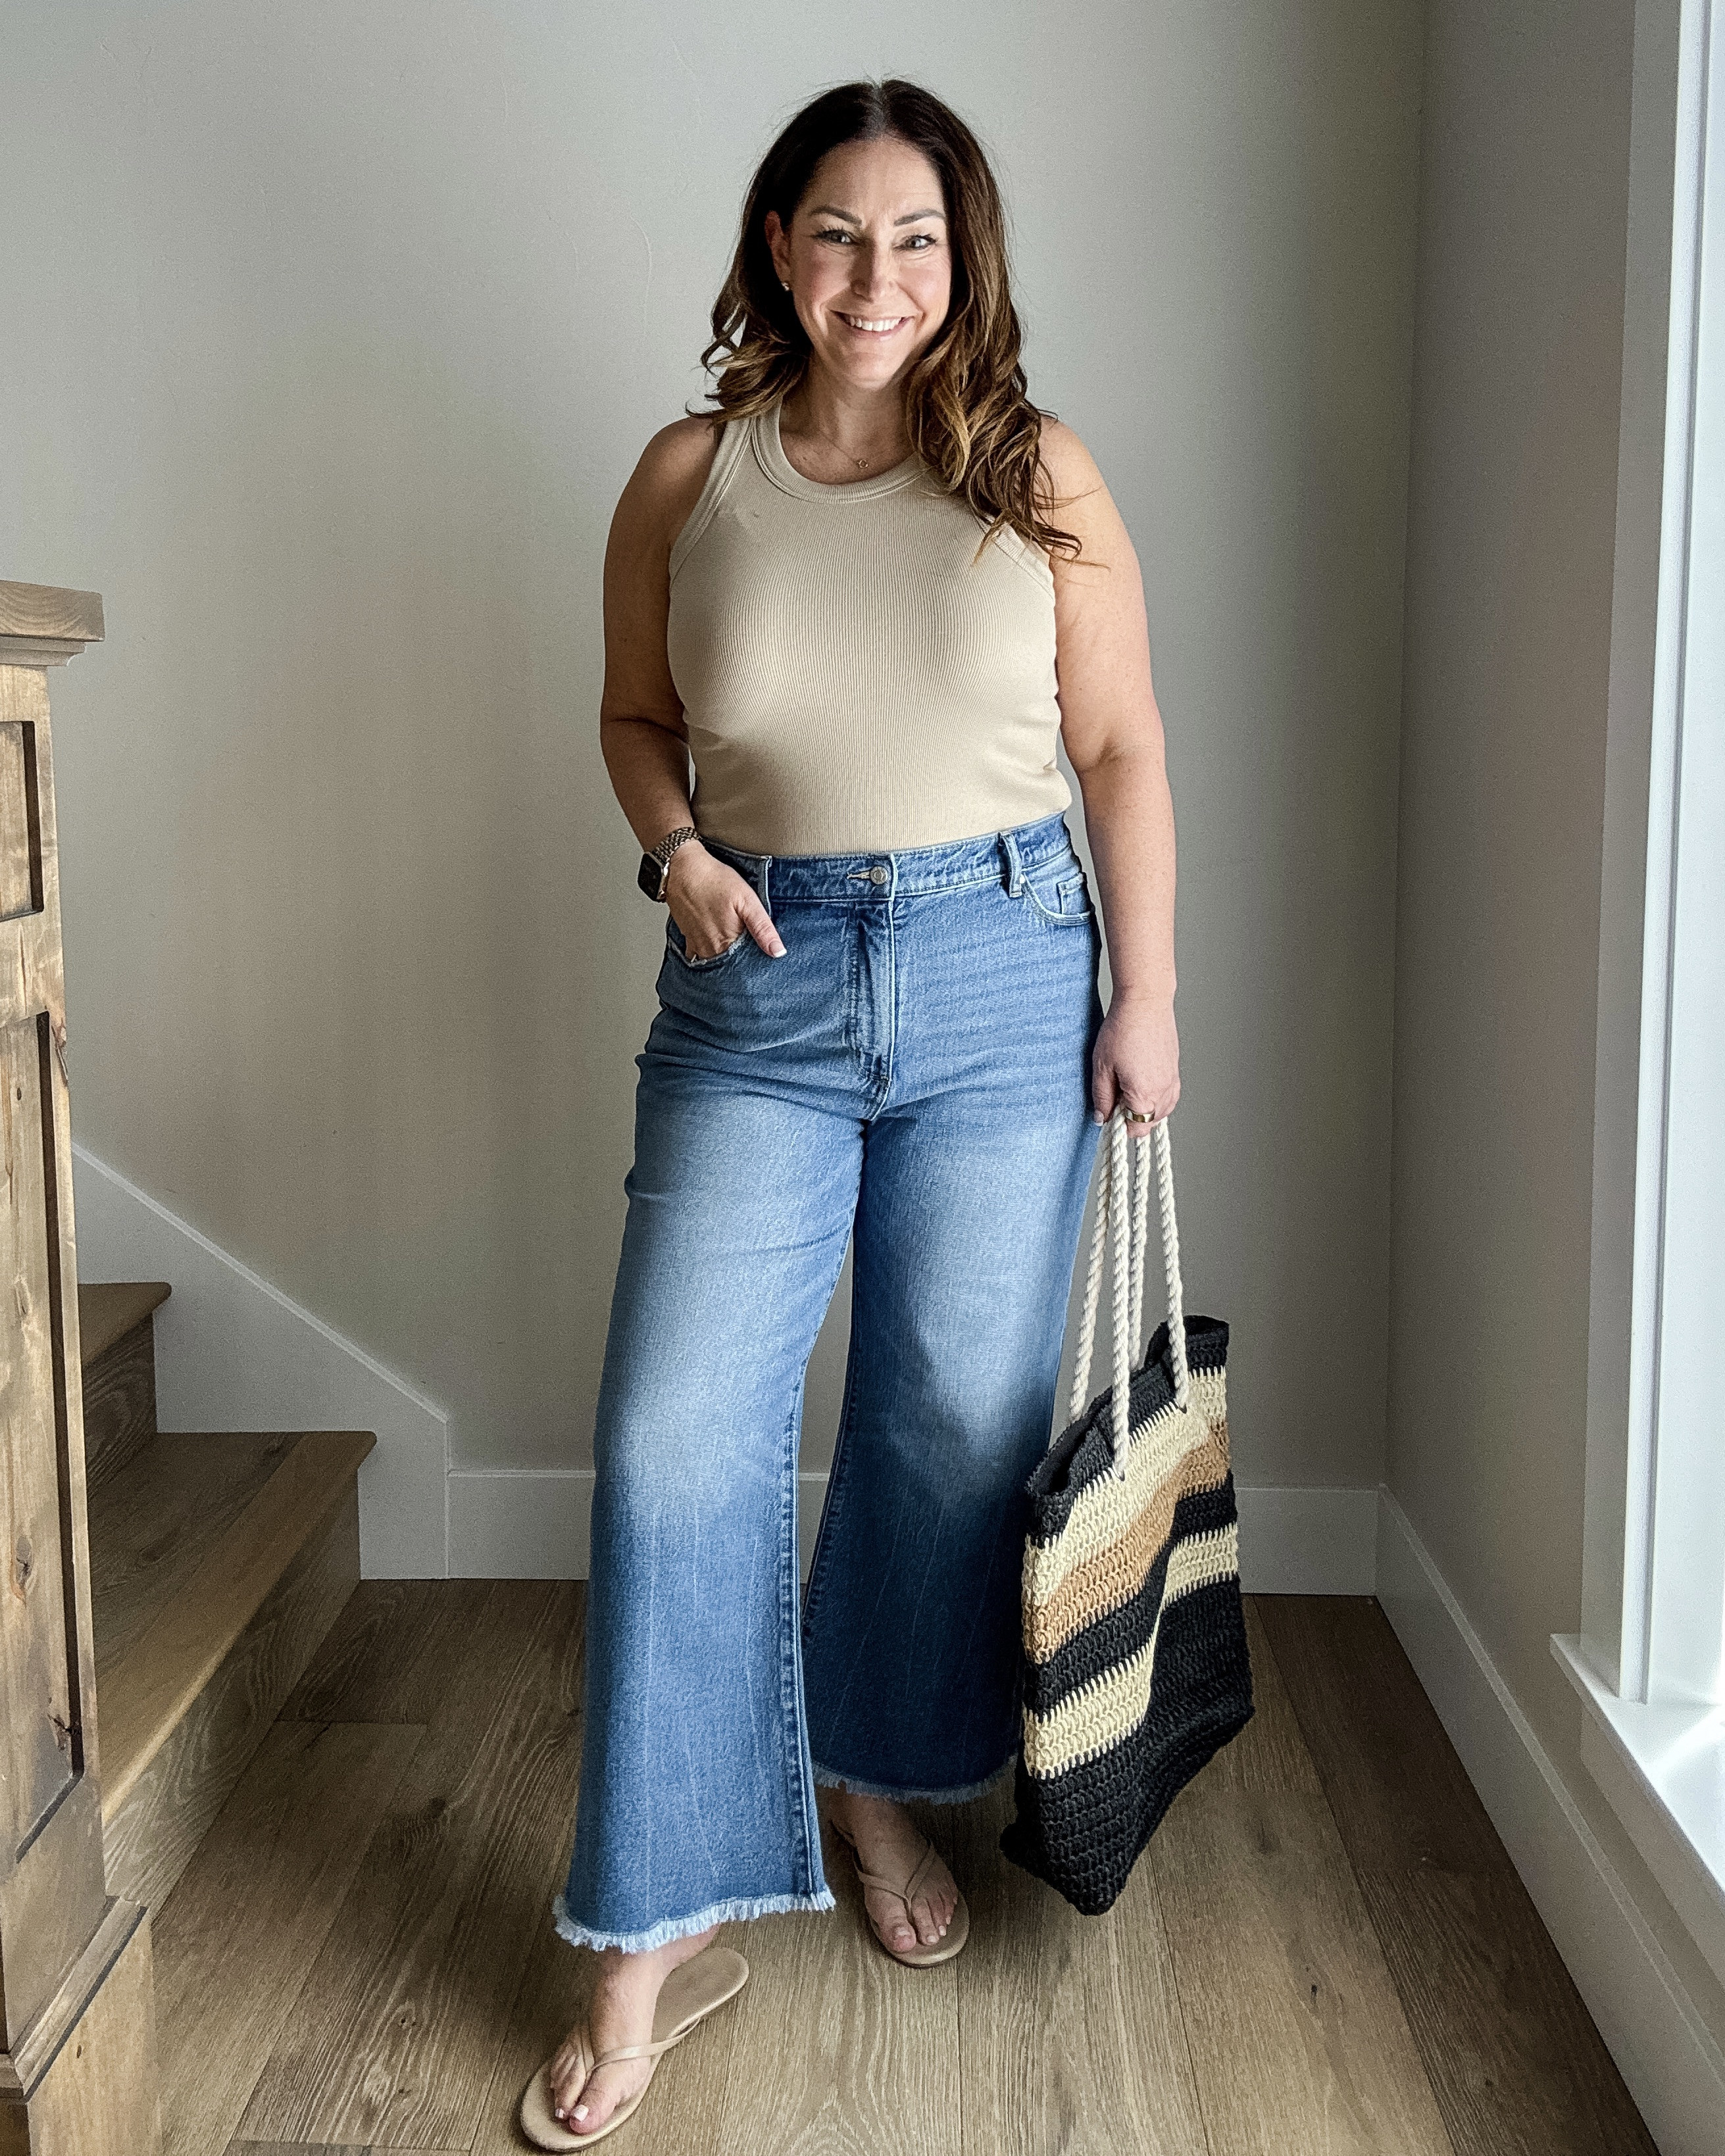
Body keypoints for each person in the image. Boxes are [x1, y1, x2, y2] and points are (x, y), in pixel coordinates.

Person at [522, 75, 1180, 2147]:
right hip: (755, 979)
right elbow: (639, 716)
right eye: (833, 231)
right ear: (773, 250)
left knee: (943, 1423)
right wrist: (670, 852)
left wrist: (1147, 995)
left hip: (1005, 972)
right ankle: (655, 1925)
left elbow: (1126, 744)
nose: (873, 274)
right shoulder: (683, 476)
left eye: (912, 236)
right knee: (670, 1438)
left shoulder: (1037, 473)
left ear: (963, 255)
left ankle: (880, 1781)